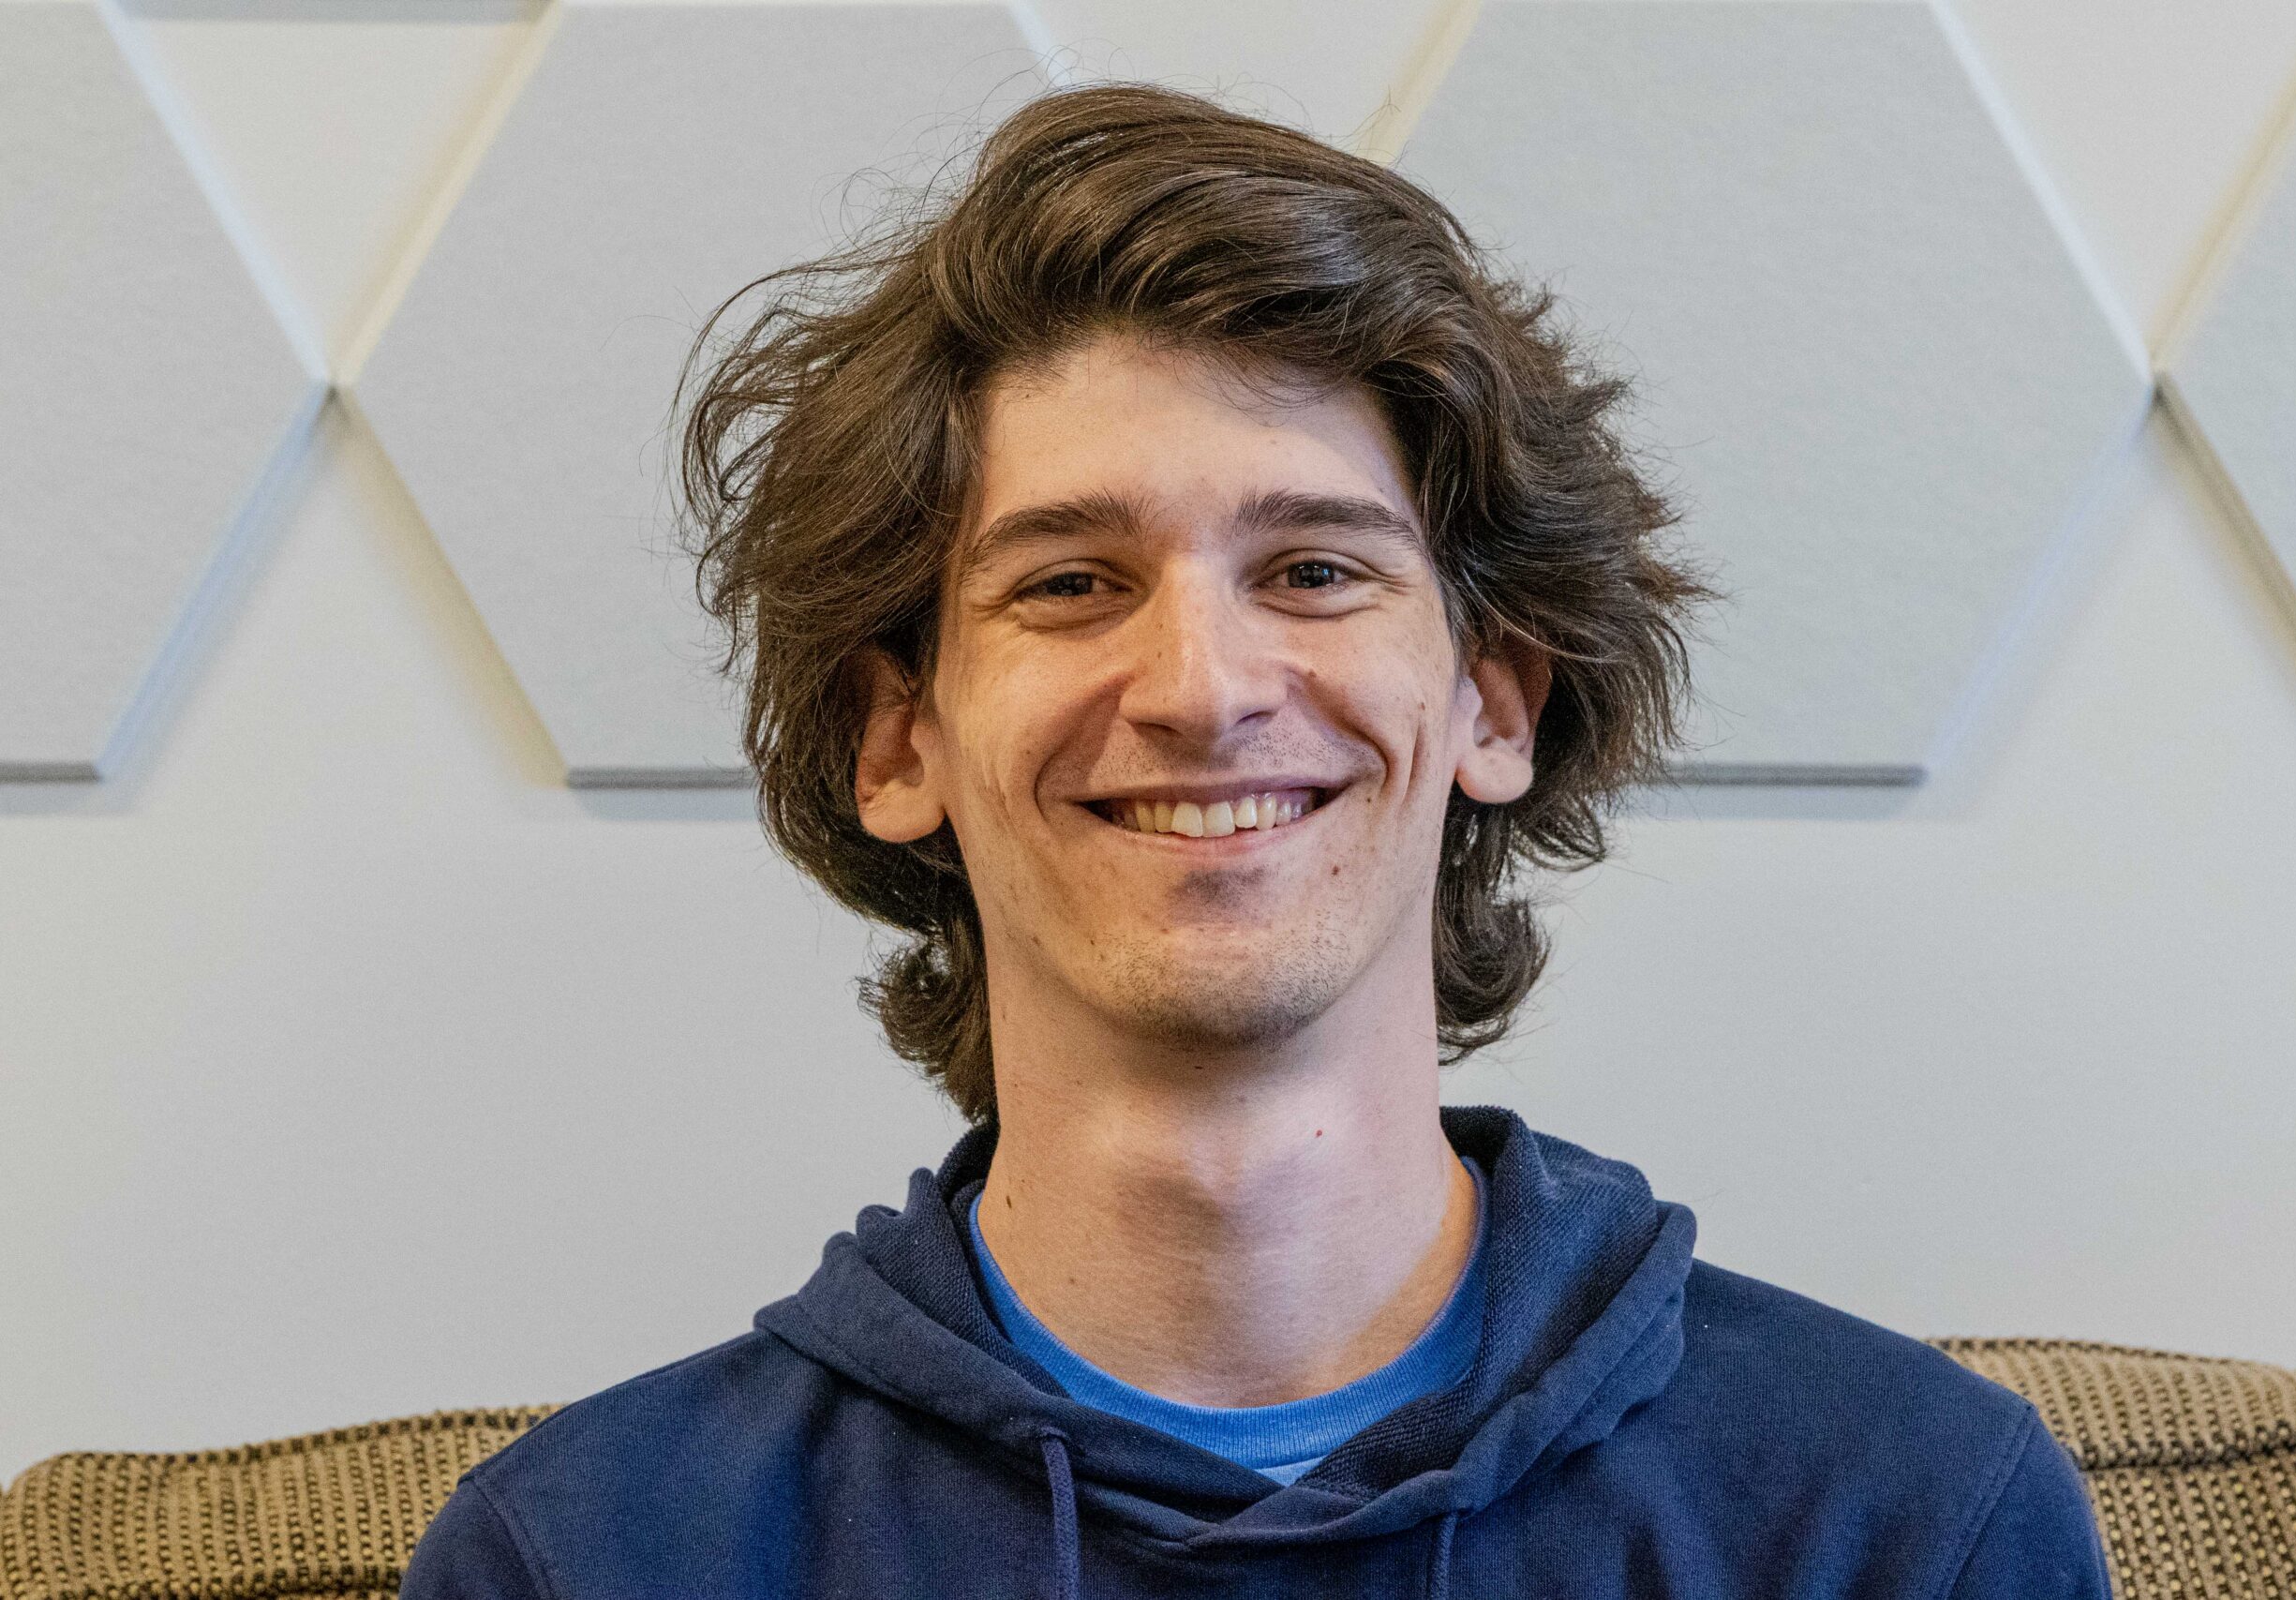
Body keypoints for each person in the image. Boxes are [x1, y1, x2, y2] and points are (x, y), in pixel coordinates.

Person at [399, 83, 2110, 1599]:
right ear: (898, 734)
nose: (1203, 690)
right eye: (1072, 582)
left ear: (1494, 703)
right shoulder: (589, 1557)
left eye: (1315, 571)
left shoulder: (1908, 1519)